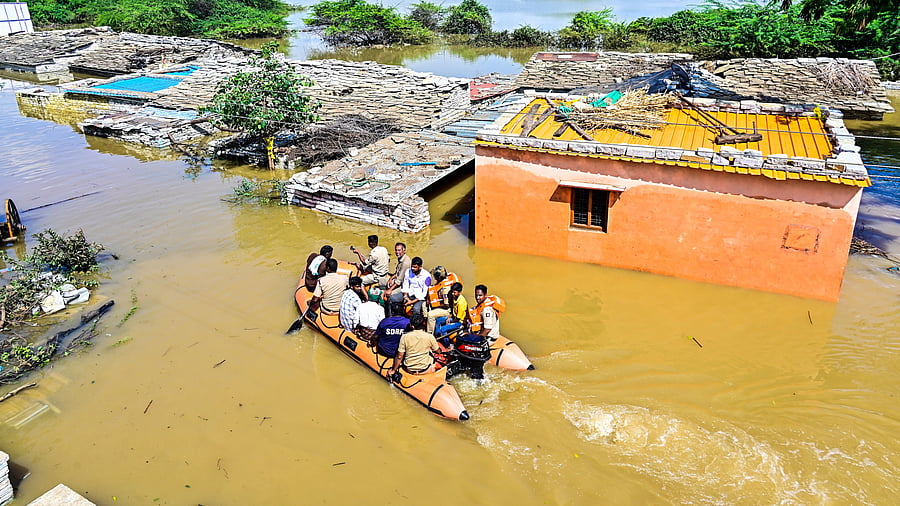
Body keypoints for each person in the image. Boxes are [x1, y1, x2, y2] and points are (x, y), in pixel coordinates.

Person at [424, 266, 461, 334]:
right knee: (424, 305)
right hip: (443, 304)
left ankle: (430, 334)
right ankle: (424, 324)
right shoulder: (444, 280)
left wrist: (435, 304)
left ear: (439, 277)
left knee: (430, 315)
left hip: (447, 310)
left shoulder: (445, 288)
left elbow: (447, 305)